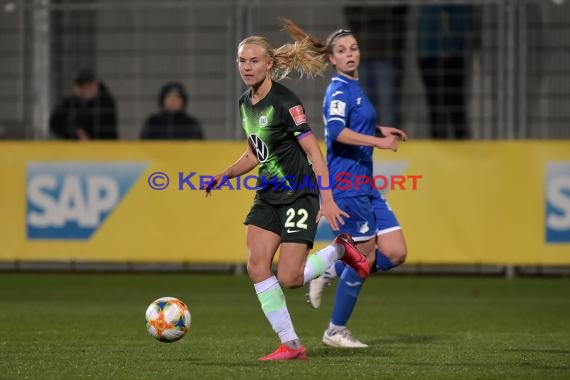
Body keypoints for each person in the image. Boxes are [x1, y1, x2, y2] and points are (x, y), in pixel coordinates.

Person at [203, 20, 369, 361]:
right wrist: (225, 174)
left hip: (298, 194)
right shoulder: (244, 103)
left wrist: (328, 199)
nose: (248, 67)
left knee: (291, 278)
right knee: (256, 266)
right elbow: (253, 153)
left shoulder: (285, 101)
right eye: (242, 61)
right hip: (267, 195)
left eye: (254, 61)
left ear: (269, 64)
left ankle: (339, 249)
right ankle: (291, 344)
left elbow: (314, 152)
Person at [300, 27, 408, 347]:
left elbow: (352, 123)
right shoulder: (338, 89)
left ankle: (332, 267)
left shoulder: (353, 87)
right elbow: (336, 132)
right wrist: (379, 141)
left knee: (396, 252)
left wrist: (377, 127)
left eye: (354, 48)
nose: (350, 54)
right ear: (332, 60)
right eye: (343, 50)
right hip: (348, 183)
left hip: (366, 183)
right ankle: (335, 330)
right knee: (363, 259)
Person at [344, 4, 408, 128]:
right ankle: (369, 142)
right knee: (363, 107)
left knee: (388, 108)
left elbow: (399, 10)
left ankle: (391, 144)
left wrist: (367, 14)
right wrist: (382, 15)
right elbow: (351, 13)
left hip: (387, 55)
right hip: (363, 56)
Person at [417, 5, 473, 139]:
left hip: (450, 57)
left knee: (455, 102)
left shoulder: (454, 8)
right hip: (429, 55)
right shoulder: (428, 9)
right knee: (435, 103)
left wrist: (451, 49)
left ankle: (460, 141)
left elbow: (459, 26)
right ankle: (438, 140)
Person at [49, 68, 118, 140]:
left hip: (104, 147)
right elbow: (54, 122)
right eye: (84, 86)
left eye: (90, 85)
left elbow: (102, 127)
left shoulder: (106, 101)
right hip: (79, 147)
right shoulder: (73, 101)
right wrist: (75, 132)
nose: (87, 89)